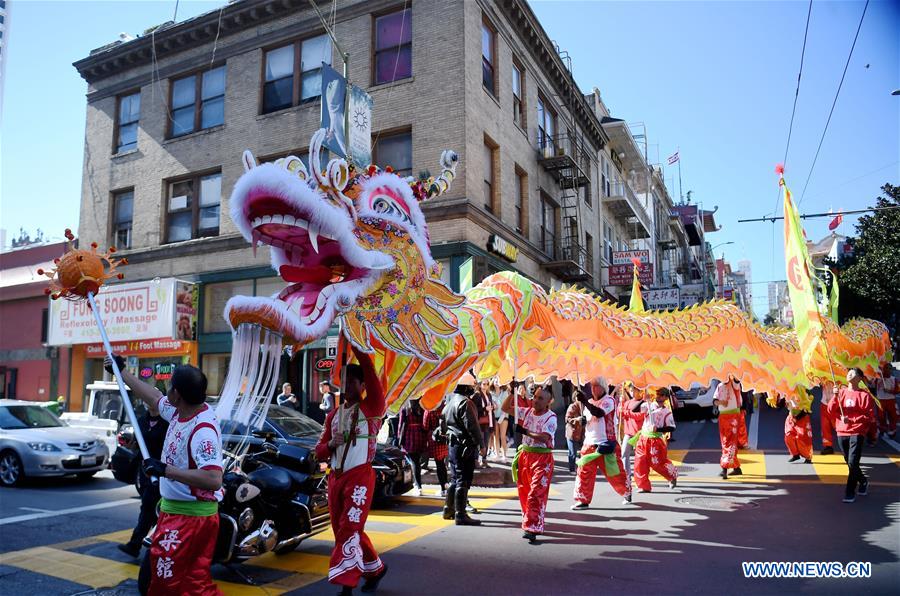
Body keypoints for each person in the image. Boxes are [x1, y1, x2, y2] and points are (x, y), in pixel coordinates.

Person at [105, 355, 223, 596]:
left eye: (170, 386)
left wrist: (166, 470)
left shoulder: (203, 431)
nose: (165, 391)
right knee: (184, 584)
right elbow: (153, 397)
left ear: (177, 394)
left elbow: (213, 479)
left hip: (191, 519)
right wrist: (122, 372)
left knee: (173, 583)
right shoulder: (181, 411)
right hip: (176, 513)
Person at [314, 346, 388, 594]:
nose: (345, 386)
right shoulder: (333, 415)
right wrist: (330, 445)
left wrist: (356, 342)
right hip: (335, 478)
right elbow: (319, 451)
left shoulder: (372, 407)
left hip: (360, 477)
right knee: (343, 530)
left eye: (351, 382)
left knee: (349, 528)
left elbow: (370, 371)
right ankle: (376, 569)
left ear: (363, 385)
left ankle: (346, 586)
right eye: (342, 381)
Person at [502, 383, 556, 542]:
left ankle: (532, 527)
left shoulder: (551, 417)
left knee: (535, 492)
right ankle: (531, 520)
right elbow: (505, 408)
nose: (536, 401)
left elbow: (545, 437)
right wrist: (512, 392)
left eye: (540, 398)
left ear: (548, 401)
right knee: (524, 491)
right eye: (535, 397)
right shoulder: (526, 412)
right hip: (525, 456)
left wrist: (525, 431)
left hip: (542, 458)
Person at [118, 398, 169, 558]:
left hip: (162, 471)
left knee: (152, 508)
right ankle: (143, 543)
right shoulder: (141, 421)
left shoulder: (168, 421)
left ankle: (139, 544)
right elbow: (139, 444)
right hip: (146, 471)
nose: (149, 403)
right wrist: (130, 445)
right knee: (149, 507)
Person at [571, 377, 632, 508]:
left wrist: (584, 401)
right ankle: (583, 499)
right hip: (589, 444)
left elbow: (598, 413)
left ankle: (626, 491)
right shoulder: (589, 402)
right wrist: (581, 420)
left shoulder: (609, 401)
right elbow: (588, 419)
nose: (593, 388)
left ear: (603, 387)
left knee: (615, 473)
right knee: (584, 473)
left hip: (606, 444)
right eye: (591, 386)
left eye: (596, 385)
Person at [828, 368, 876, 503]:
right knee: (849, 462)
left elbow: (869, 416)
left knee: (853, 462)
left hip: (857, 432)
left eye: (853, 372)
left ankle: (849, 492)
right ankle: (863, 480)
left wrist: (852, 420)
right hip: (842, 431)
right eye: (849, 372)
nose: (849, 373)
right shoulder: (841, 392)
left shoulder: (864, 395)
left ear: (860, 378)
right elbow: (830, 410)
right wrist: (835, 396)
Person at [443, 386, 482, 526]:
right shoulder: (465, 403)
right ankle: (460, 514)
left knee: (455, 478)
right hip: (463, 446)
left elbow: (442, 426)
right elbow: (472, 426)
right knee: (462, 479)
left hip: (453, 446)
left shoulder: (449, 403)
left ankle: (448, 509)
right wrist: (481, 444)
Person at [631, 388, 678, 493]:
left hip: (655, 440)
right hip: (643, 439)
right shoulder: (649, 405)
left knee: (657, 463)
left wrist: (658, 429)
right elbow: (634, 410)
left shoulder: (666, 412)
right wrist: (643, 400)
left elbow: (672, 427)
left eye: (661, 395)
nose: (658, 396)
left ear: (666, 397)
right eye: (657, 394)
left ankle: (671, 475)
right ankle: (644, 486)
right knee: (640, 462)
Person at [713, 375, 743, 479]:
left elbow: (737, 379)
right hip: (723, 417)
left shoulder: (734, 383)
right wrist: (721, 402)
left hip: (733, 417)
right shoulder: (719, 386)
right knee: (726, 442)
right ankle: (736, 468)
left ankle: (724, 468)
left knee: (729, 442)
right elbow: (715, 401)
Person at [398, 398, 429, 497]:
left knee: (414, 462)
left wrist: (399, 438)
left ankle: (417, 486)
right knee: (416, 461)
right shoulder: (422, 407)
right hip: (420, 435)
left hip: (409, 436)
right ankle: (417, 484)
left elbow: (401, 425)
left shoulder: (405, 408)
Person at [617, 381, 645, 487]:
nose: (632, 392)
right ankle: (627, 476)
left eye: (634, 390)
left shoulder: (643, 403)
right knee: (624, 454)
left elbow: (640, 416)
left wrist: (626, 412)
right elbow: (620, 414)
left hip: (639, 433)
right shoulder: (627, 403)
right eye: (631, 390)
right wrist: (620, 406)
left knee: (641, 458)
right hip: (628, 433)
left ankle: (641, 479)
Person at [423, 398, 449, 497]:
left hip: (435, 438)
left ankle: (443, 488)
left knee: (439, 465)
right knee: (442, 464)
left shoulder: (429, 409)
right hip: (444, 438)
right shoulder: (444, 407)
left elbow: (425, 426)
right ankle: (446, 485)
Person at [783, 392, 813, 464]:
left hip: (802, 418)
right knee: (788, 436)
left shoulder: (805, 391)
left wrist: (798, 417)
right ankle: (795, 454)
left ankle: (808, 456)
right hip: (791, 418)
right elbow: (781, 403)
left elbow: (807, 408)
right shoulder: (787, 390)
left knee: (802, 438)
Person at [473, 381, 493, 467]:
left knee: (486, 441)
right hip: (479, 422)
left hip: (488, 421)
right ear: (480, 385)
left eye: (487, 384)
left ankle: (484, 460)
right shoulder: (477, 395)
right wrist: (485, 408)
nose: (486, 386)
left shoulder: (489, 395)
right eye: (484, 384)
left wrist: (492, 407)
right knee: (479, 442)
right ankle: (476, 460)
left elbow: (490, 406)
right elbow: (474, 408)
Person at [876, 363, 898, 439]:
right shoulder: (878, 378)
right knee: (881, 417)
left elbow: (898, 390)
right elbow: (871, 385)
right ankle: (882, 429)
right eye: (886, 368)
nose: (888, 370)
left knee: (892, 417)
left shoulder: (894, 379)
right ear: (883, 369)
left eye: (889, 368)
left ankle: (892, 431)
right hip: (880, 400)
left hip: (891, 400)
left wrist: (889, 391)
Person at [564, 394, 584, 473]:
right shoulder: (572, 407)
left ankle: (581, 469)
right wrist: (576, 419)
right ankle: (572, 469)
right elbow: (567, 419)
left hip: (582, 433)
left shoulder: (584, 406)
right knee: (572, 453)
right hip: (572, 432)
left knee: (583, 452)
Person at [492, 382, 510, 463]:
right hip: (494, 416)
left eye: (498, 380)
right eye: (495, 380)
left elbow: (507, 406)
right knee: (496, 436)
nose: (497, 382)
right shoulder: (491, 393)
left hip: (503, 416)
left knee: (503, 436)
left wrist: (502, 416)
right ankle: (497, 454)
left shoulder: (505, 392)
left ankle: (504, 455)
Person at [820, 382, 836, 455]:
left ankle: (847, 444)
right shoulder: (823, 376)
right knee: (825, 426)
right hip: (824, 404)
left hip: (836, 404)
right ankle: (828, 446)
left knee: (838, 426)